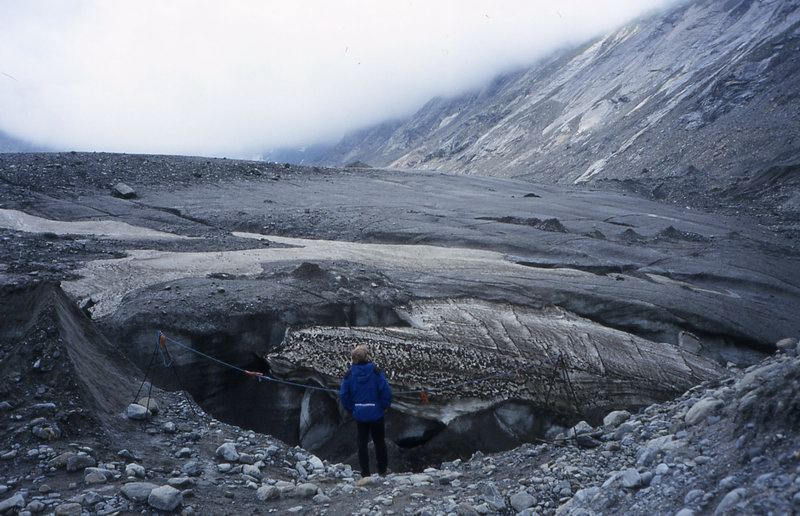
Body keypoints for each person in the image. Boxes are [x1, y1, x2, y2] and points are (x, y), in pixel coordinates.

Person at [339, 345, 392, 477]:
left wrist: (352, 408)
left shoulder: (349, 374)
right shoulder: (376, 371)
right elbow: (386, 391)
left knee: (362, 443)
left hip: (360, 413)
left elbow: (344, 395)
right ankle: (382, 470)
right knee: (379, 441)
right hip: (376, 413)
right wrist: (384, 406)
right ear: (367, 356)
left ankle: (365, 473)